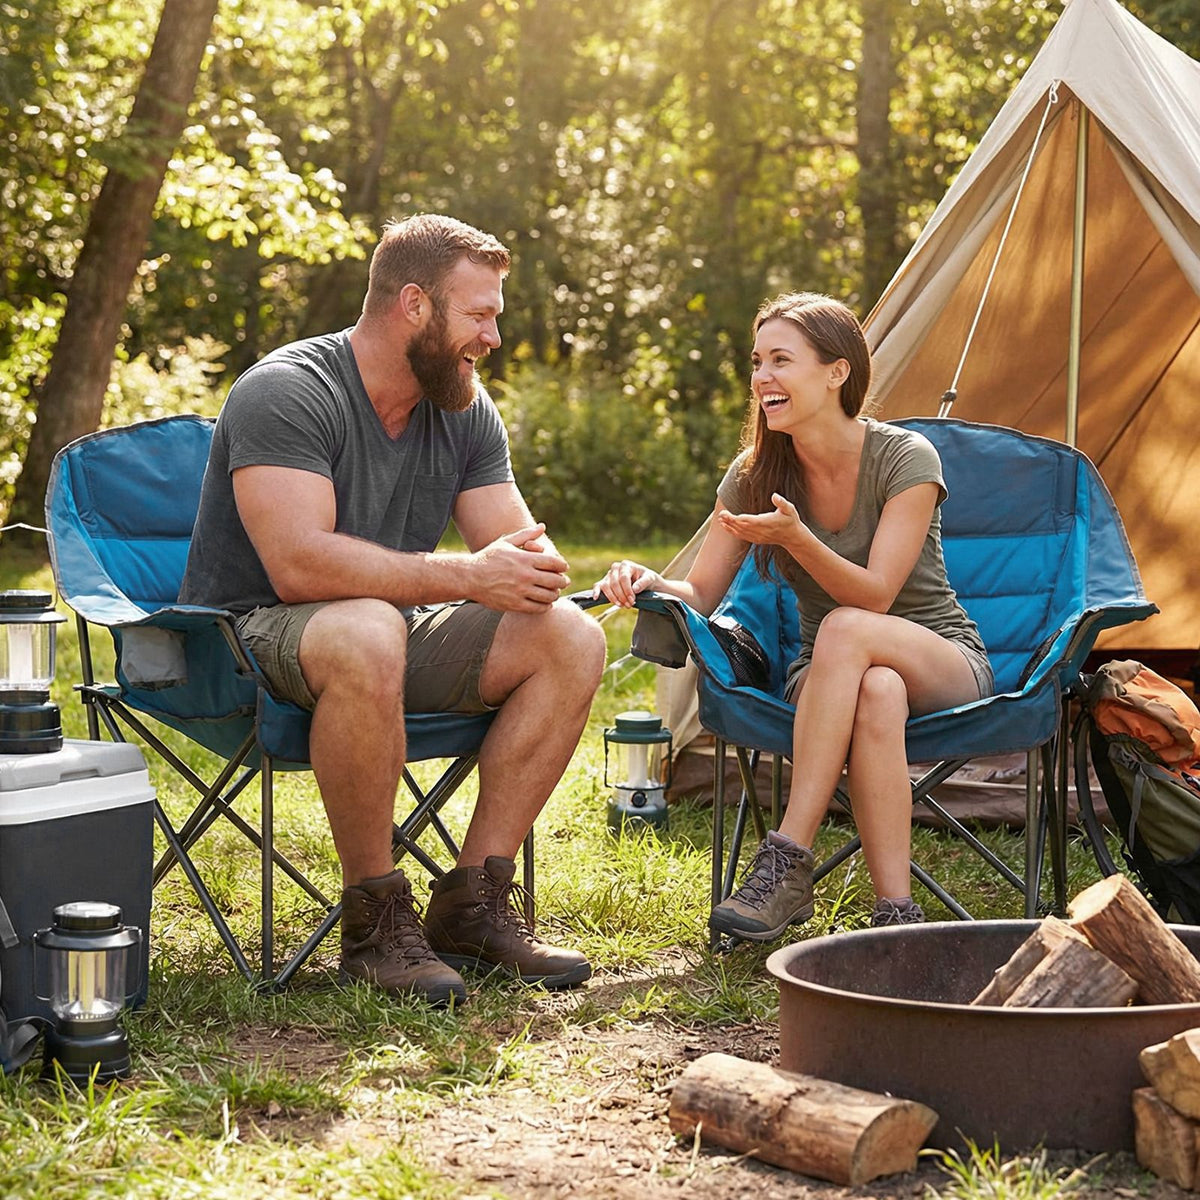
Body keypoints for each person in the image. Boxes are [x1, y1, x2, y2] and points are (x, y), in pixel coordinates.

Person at [180, 213, 606, 1005]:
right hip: (248, 641)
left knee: (570, 637)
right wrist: (470, 575)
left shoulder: (463, 408)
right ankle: (375, 922)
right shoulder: (288, 390)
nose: (493, 338)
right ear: (415, 304)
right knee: (370, 628)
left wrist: (539, 572)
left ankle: (472, 905)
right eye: (479, 315)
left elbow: (515, 547)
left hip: (383, 634)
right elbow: (298, 565)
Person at [593, 292, 993, 939]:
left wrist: (798, 539)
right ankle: (896, 917)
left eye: (781, 360)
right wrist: (650, 581)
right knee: (876, 689)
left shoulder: (906, 457)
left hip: (939, 655)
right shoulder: (754, 474)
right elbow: (702, 591)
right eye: (757, 362)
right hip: (827, 673)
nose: (762, 377)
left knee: (848, 627)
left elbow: (875, 597)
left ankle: (787, 857)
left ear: (837, 372)